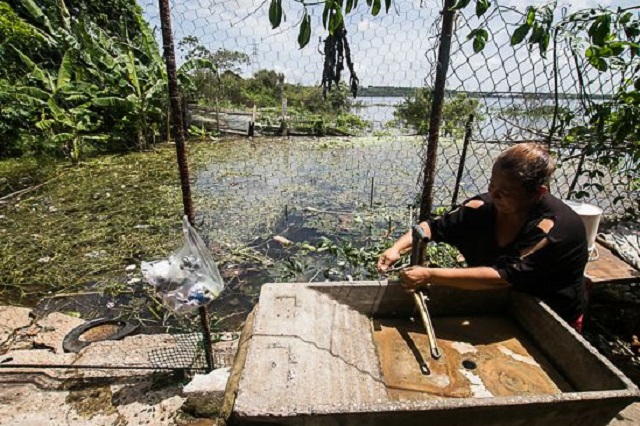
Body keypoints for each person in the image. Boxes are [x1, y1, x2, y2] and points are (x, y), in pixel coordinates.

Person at [377, 142, 588, 332]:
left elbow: (503, 277)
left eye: (505, 192)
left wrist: (429, 274)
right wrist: (397, 248)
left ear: (538, 193)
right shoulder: (483, 208)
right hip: (498, 305)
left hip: (550, 314)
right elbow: (432, 227)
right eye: (492, 185)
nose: (493, 195)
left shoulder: (555, 229)